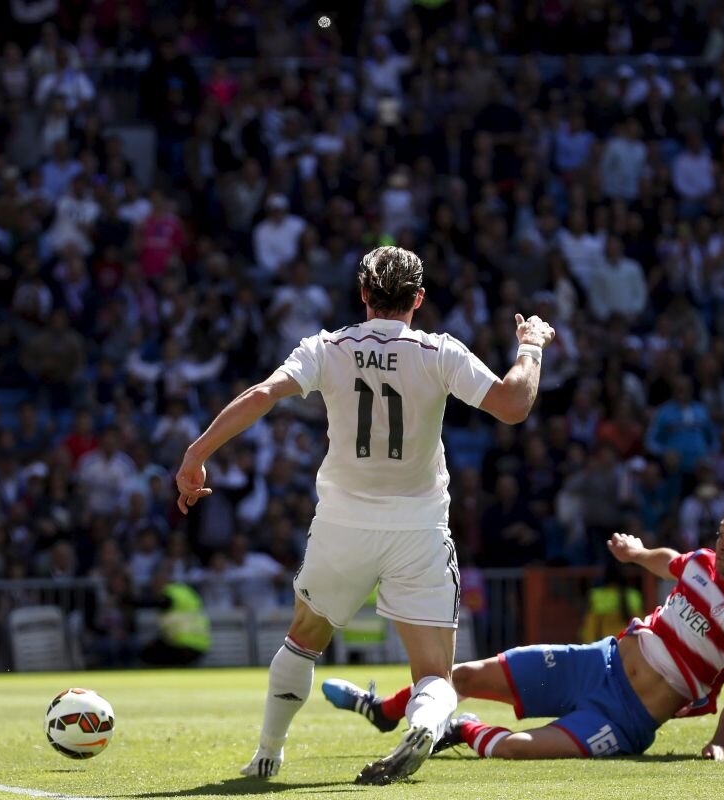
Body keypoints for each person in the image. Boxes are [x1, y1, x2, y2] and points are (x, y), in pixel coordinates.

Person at [175, 246, 555, 783]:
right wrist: (531, 347)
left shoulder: (327, 348)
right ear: (418, 299)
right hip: (419, 527)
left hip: (342, 525)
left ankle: (268, 752)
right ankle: (423, 724)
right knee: (433, 675)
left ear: (362, 295)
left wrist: (196, 454)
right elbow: (514, 406)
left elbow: (264, 394)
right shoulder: (438, 352)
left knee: (302, 640)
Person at [323, 496, 724, 762]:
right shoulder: (703, 563)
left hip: (623, 720)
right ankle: (385, 710)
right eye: (722, 534)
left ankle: (458, 728)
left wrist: (719, 744)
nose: (721, 546)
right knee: (465, 675)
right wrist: (638, 554)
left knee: (514, 749)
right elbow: (672, 563)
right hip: (596, 662)